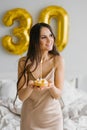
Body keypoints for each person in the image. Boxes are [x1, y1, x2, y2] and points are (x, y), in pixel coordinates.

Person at [17, 22, 64, 130]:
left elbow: (57, 95)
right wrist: (30, 86)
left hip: (53, 118)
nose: (49, 40)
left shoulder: (58, 60)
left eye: (50, 35)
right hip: (30, 118)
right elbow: (21, 97)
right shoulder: (23, 62)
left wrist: (51, 87)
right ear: (35, 42)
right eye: (44, 37)